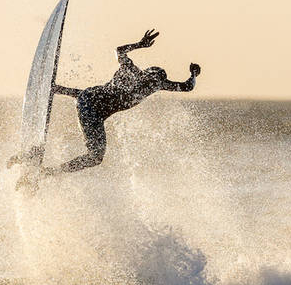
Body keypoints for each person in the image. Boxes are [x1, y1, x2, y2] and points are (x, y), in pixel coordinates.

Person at [43, 29, 201, 175]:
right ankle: (47, 172)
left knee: (96, 157)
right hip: (90, 106)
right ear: (145, 74)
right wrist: (140, 44)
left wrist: (193, 74)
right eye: (151, 80)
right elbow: (120, 51)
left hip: (94, 111)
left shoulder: (154, 84)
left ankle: (47, 172)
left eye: (157, 83)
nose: (152, 85)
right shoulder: (132, 71)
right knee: (96, 153)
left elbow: (187, 87)